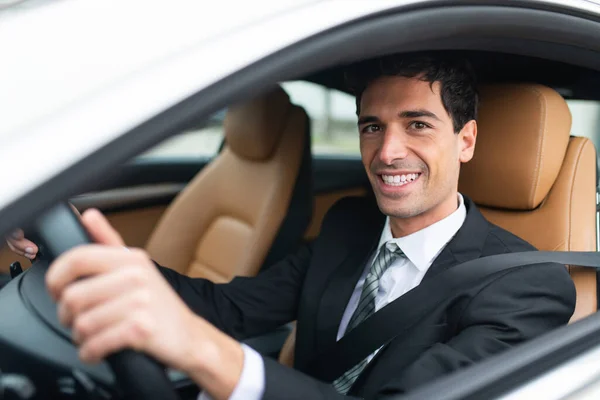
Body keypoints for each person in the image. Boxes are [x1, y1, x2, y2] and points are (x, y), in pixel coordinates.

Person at [6, 54, 576, 399]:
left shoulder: (526, 287)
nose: (387, 152)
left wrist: (205, 354)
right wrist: (93, 255)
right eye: (371, 127)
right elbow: (228, 310)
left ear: (467, 140)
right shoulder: (348, 226)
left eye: (418, 125)